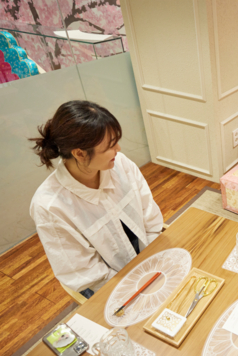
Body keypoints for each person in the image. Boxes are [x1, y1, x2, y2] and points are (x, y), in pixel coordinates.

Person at [29, 101, 163, 299]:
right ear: (80, 154)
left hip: (147, 258)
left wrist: (153, 261)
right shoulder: (50, 207)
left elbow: (149, 214)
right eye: (110, 146)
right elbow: (86, 273)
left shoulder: (120, 164)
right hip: (108, 286)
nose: (118, 149)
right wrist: (136, 289)